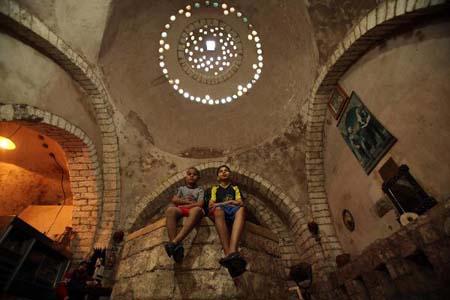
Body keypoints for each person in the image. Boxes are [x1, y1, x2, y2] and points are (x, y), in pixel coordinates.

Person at [208, 165, 247, 277]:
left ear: (229, 174)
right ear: (218, 177)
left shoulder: (235, 188)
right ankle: (228, 253)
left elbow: (240, 203)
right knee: (218, 210)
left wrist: (220, 203)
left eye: (226, 171)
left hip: (233, 210)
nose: (224, 172)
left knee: (242, 210)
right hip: (221, 210)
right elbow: (211, 205)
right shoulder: (214, 189)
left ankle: (232, 252)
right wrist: (228, 202)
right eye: (221, 171)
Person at [164, 167, 205, 262]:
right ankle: (176, 249)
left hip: (193, 210)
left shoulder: (200, 190)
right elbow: (174, 199)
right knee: (170, 210)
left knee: (197, 209)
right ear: (186, 177)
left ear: (198, 177)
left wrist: (184, 203)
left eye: (194, 174)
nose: (191, 176)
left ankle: (174, 242)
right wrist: (188, 202)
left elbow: (200, 204)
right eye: (189, 174)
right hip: (182, 209)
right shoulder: (181, 188)